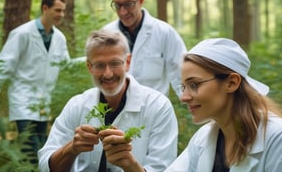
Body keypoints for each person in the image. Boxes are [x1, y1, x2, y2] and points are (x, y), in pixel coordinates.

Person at [38, 29, 178, 172]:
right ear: (89, 66)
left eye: (115, 63)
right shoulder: (77, 105)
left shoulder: (158, 107)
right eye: (99, 65)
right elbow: (45, 166)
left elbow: (164, 168)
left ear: (128, 62)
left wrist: (130, 165)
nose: (108, 73)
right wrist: (72, 148)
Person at [165, 38, 282, 172]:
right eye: (183, 87)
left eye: (194, 85)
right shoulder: (202, 138)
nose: (184, 97)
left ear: (232, 83)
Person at [0, 0, 72, 163]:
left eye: (63, 11)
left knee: (42, 147)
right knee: (30, 147)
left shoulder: (59, 38)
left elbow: (65, 64)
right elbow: (5, 61)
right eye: (57, 10)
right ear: (45, 8)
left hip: (44, 102)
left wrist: (92, 60)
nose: (61, 15)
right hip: (22, 98)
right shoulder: (22, 33)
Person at [103, 0, 187, 97]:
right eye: (117, 5)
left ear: (141, 0)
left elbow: (181, 76)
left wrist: (194, 107)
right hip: (117, 112)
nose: (123, 11)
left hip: (155, 111)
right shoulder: (106, 34)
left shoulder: (164, 33)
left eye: (128, 4)